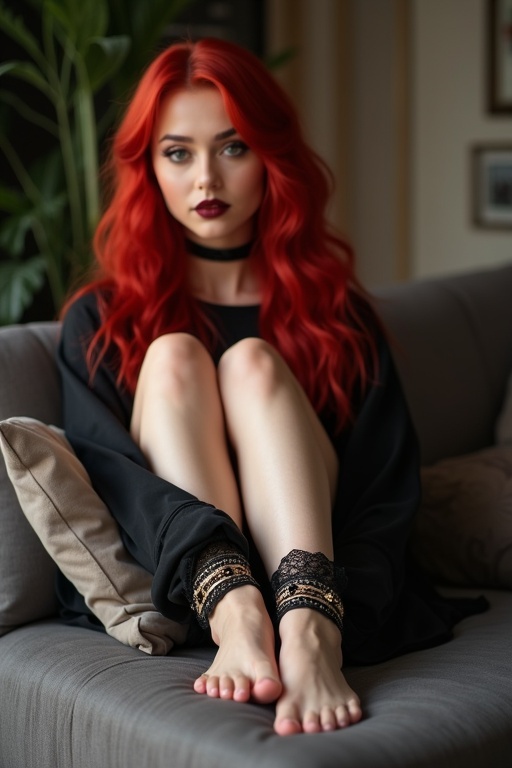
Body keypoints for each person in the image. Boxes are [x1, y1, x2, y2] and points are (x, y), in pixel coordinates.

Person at [57, 37, 485, 736]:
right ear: (148, 168)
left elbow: (381, 494)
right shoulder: (100, 322)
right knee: (173, 358)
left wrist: (324, 611)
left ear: (271, 157)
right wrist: (229, 595)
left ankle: (309, 629)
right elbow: (117, 482)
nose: (205, 180)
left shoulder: (336, 314)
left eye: (233, 148)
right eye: (177, 153)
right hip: (195, 583)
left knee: (251, 361)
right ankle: (239, 613)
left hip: (320, 572)